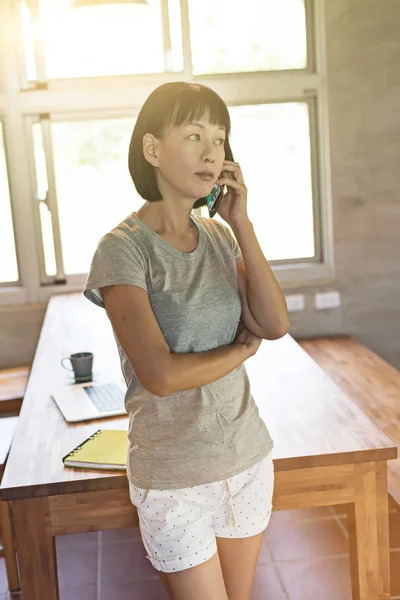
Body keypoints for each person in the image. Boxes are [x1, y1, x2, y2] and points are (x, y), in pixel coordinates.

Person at [83, 81, 289, 600]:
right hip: (174, 477)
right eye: (194, 134)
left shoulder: (220, 236)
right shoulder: (122, 250)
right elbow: (161, 375)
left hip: (245, 457)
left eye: (219, 139)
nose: (211, 151)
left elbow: (275, 323)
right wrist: (241, 351)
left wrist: (241, 222)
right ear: (153, 150)